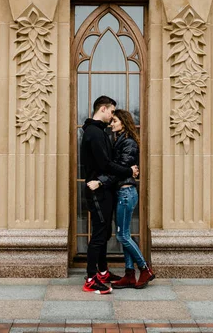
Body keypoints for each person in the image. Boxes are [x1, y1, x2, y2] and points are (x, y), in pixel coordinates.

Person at [87, 109, 155, 289]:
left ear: (123, 122)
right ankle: (129, 274)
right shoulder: (120, 141)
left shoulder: (129, 143)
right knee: (125, 234)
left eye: (115, 121)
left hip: (126, 193)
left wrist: (100, 182)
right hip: (122, 193)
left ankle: (144, 268)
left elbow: (120, 170)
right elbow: (118, 169)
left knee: (122, 235)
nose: (112, 124)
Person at [80, 96, 139, 294]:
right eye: (112, 111)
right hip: (97, 190)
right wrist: (129, 171)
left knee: (104, 233)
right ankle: (90, 278)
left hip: (103, 189)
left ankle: (103, 272)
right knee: (99, 234)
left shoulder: (99, 132)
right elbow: (105, 165)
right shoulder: (94, 133)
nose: (113, 115)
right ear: (103, 109)